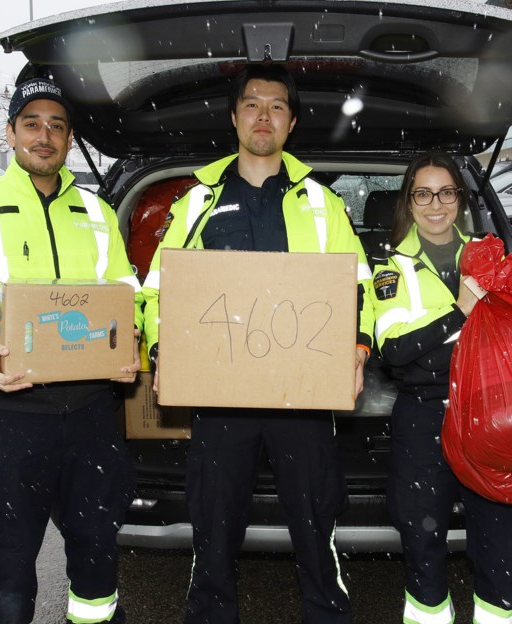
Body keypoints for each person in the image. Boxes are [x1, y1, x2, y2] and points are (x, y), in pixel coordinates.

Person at [141, 63, 374, 624]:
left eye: (275, 107)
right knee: (214, 530)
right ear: (234, 117)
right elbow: (157, 292)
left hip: (306, 400)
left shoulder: (323, 203)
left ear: (291, 123)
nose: (263, 116)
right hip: (222, 401)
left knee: (317, 528)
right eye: (252, 104)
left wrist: (359, 349)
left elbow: (360, 285)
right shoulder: (196, 202)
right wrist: (159, 350)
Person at [0, 77, 143, 624]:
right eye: (32, 123)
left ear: (67, 139)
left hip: (91, 417)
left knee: (97, 555)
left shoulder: (97, 212)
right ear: (11, 133)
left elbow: (126, 296)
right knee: (7, 565)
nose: (45, 135)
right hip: (11, 417)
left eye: (57, 126)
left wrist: (134, 338)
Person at [370, 151, 512, 624]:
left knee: (500, 545)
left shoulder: (491, 256)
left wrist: (433, 353)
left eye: (445, 192)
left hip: (490, 413)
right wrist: (460, 313)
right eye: (423, 193)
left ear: (459, 199)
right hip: (423, 419)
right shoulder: (389, 269)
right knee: (422, 543)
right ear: (409, 201)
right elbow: (395, 353)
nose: (434, 204)